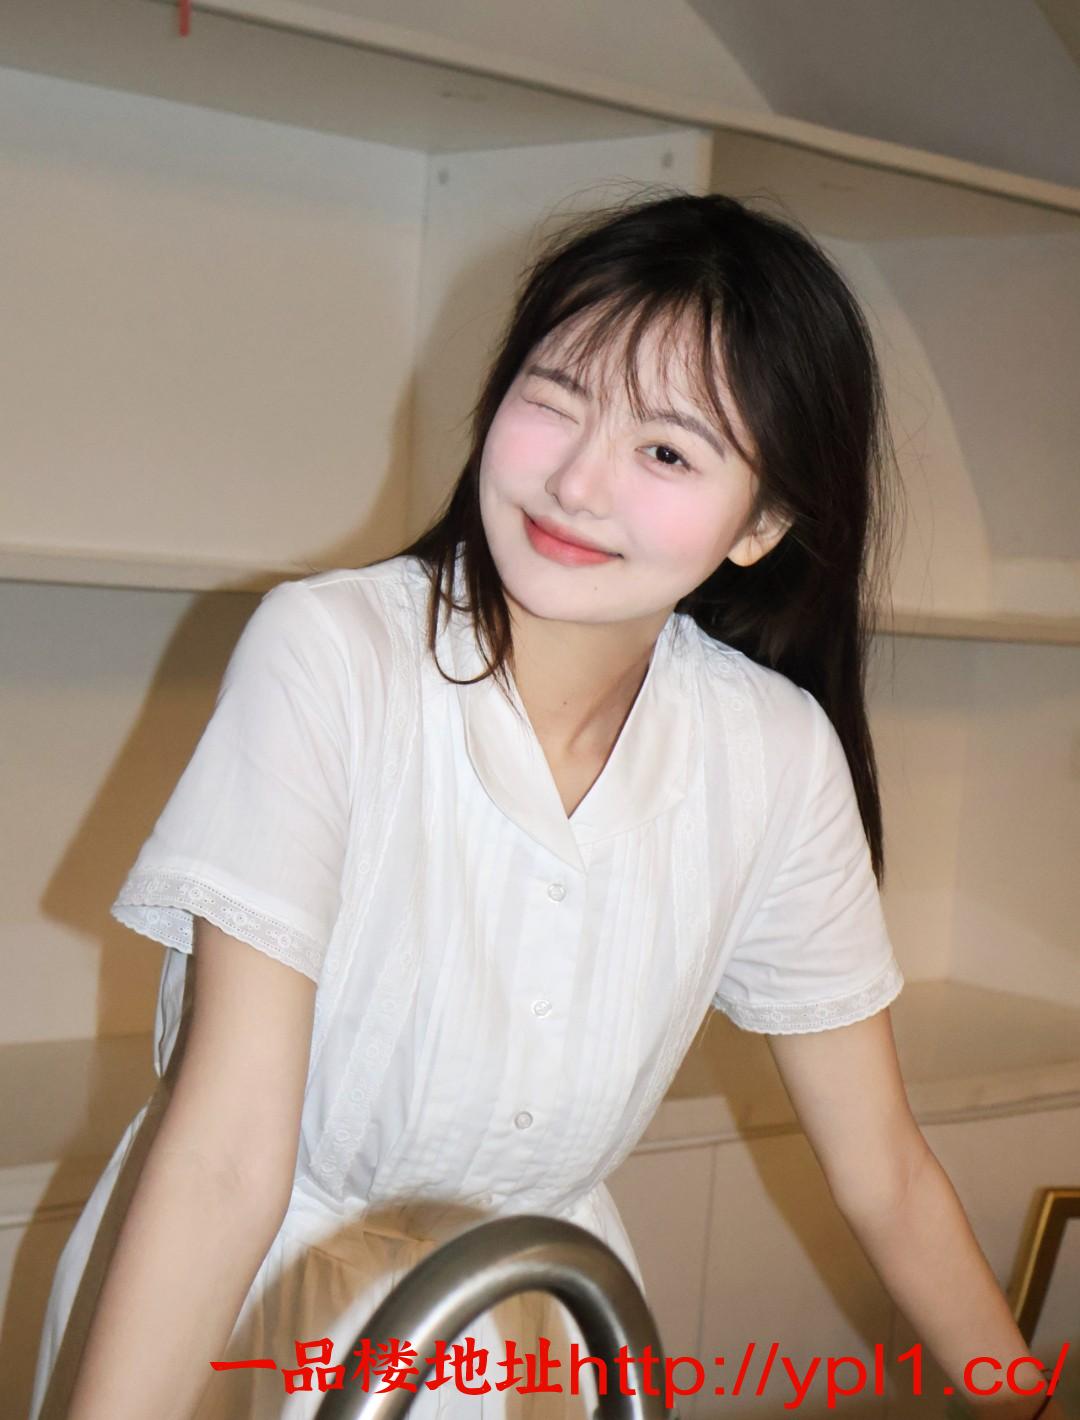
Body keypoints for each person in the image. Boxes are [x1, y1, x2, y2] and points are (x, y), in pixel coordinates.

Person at [30, 190, 1066, 1420]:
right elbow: (223, 1160)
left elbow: (885, 1172)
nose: (577, 482)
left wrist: (1024, 1401)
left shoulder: (774, 754)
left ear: (763, 522)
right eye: (556, 398)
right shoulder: (332, 654)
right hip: (231, 1316)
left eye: (667, 451)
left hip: (536, 1331)